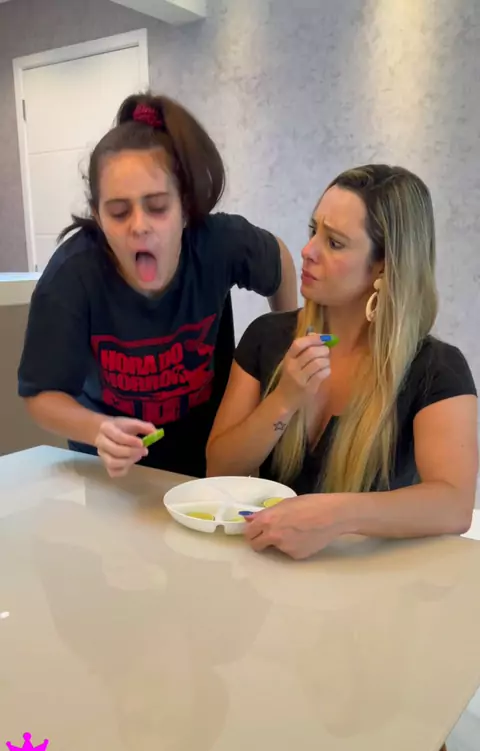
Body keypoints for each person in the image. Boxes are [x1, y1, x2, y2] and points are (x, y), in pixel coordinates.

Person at [18, 93, 297, 479]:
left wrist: (287, 344)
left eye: (158, 207)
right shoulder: (71, 275)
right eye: (118, 212)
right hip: (111, 469)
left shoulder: (220, 243)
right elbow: (40, 394)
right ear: (97, 216)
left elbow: (279, 262)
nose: (139, 226)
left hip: (204, 456)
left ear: (184, 208)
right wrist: (98, 429)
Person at [207, 164, 479, 559]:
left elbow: (454, 505)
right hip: (269, 573)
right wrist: (284, 400)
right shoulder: (267, 336)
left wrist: (336, 515)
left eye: (334, 243)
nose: (307, 251)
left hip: (377, 584)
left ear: (383, 265)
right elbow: (218, 468)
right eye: (312, 230)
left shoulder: (437, 369)